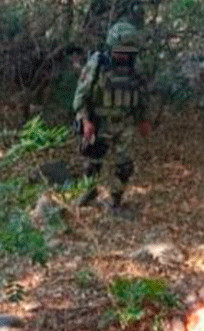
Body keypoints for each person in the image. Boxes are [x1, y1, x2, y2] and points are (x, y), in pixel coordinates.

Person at [72, 19, 150, 216]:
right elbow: (81, 95)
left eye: (128, 52)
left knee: (124, 165)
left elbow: (141, 95)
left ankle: (116, 200)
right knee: (93, 161)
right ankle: (89, 191)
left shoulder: (135, 67)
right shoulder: (98, 63)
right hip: (100, 122)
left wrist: (143, 119)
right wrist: (86, 121)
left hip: (124, 123)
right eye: (120, 51)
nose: (123, 56)